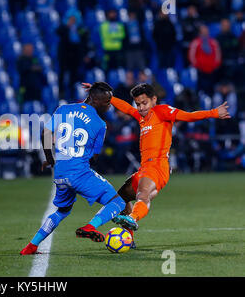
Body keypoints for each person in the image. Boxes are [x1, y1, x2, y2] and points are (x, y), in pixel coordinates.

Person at [82, 82, 231, 247]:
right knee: (122, 198)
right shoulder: (141, 117)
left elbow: (188, 116)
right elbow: (126, 108)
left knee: (143, 194)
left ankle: (132, 219)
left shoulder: (162, 111)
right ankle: (129, 237)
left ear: (154, 99)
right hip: (144, 168)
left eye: (144, 103)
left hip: (158, 167)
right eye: (138, 104)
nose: (140, 107)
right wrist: (107, 96)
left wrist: (214, 112)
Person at [20, 82, 126, 255]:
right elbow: (94, 157)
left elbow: (45, 134)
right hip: (79, 172)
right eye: (107, 102)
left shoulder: (63, 109)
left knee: (62, 211)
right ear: (94, 99)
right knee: (118, 201)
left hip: (60, 172)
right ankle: (90, 226)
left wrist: (49, 159)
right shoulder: (100, 124)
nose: (109, 106)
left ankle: (31, 246)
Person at [188, 25, 222, 96]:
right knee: (200, 90)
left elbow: (218, 55)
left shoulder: (213, 42)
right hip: (200, 71)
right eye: (203, 31)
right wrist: (197, 65)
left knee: (211, 90)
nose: (205, 32)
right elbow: (191, 55)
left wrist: (215, 65)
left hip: (211, 71)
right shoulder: (196, 42)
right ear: (200, 32)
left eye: (206, 31)